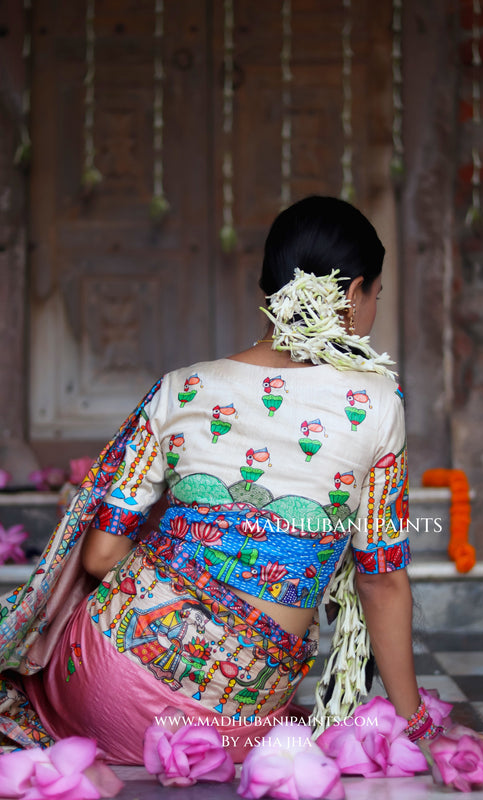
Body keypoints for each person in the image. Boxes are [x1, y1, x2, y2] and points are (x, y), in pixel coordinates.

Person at [0, 195, 440, 764]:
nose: (372, 309)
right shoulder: (378, 403)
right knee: (278, 721)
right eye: (375, 296)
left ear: (269, 291)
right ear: (353, 293)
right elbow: (380, 581)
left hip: (98, 681)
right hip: (225, 721)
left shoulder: (178, 387)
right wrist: (416, 723)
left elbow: (99, 558)